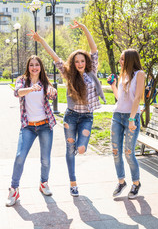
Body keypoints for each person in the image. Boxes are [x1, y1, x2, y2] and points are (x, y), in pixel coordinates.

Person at [28, 21, 106, 197]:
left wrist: (85, 28)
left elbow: (94, 50)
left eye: (82, 60)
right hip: (70, 117)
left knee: (81, 149)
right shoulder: (68, 73)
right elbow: (54, 56)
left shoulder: (91, 70)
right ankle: (73, 183)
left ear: (86, 62)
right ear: (73, 62)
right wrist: (41, 40)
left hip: (87, 117)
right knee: (70, 149)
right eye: (77, 61)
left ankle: (79, 153)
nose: (80, 63)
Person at [6, 55, 57, 207]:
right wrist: (31, 88)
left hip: (45, 125)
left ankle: (43, 183)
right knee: (20, 156)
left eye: (37, 65)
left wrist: (52, 91)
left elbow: (52, 95)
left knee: (45, 159)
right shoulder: (22, 81)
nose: (34, 67)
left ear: (41, 67)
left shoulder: (45, 82)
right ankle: (14, 189)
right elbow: (17, 93)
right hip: (28, 126)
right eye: (31, 65)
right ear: (28, 67)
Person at [107, 49, 145, 199]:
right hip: (117, 116)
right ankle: (121, 182)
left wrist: (131, 119)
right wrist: (113, 85)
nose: (120, 62)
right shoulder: (123, 74)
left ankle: (136, 183)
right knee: (115, 152)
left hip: (131, 117)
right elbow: (120, 98)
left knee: (129, 153)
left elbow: (137, 99)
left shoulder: (139, 74)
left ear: (130, 60)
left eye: (122, 59)